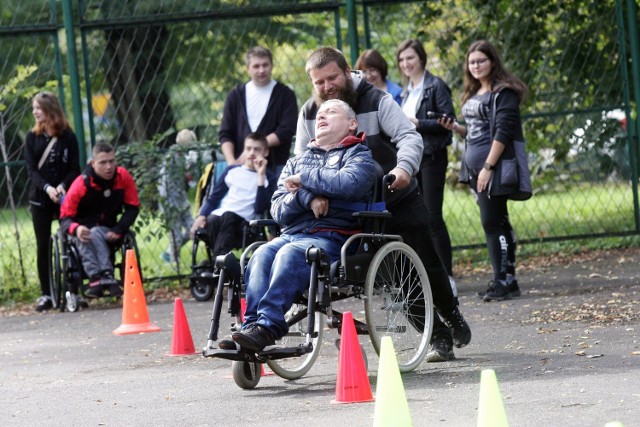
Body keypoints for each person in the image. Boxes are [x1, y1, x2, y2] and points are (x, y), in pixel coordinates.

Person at [295, 47, 471, 362]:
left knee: (428, 265)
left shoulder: (377, 100)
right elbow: (300, 162)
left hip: (397, 196)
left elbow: (409, 136)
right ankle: (437, 337)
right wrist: (311, 194)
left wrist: (403, 168)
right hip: (357, 211)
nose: (327, 87)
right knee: (395, 280)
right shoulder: (310, 113)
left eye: (332, 77)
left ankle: (451, 313)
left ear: (347, 71)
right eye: (318, 82)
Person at [220, 99, 376, 351]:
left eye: (331, 112)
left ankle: (268, 326)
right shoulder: (296, 161)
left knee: (290, 253)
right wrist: (309, 198)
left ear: (352, 123)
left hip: (333, 237)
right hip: (292, 233)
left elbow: (349, 183)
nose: (322, 117)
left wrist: (304, 179)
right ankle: (251, 328)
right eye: (320, 114)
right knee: (261, 253)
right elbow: (278, 207)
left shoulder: (359, 154)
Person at [440, 40, 528, 302]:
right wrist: (457, 129)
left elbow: (503, 132)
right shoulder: (475, 92)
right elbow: (477, 132)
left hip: (495, 168)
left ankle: (502, 281)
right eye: (472, 62)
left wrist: (489, 167)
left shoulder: (504, 92)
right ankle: (508, 280)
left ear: (492, 62)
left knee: (492, 223)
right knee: (499, 221)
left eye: (481, 60)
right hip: (475, 167)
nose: (476, 66)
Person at [397, 39, 456, 282]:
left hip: (432, 156)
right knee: (417, 218)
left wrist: (420, 124)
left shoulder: (435, 86)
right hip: (412, 160)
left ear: (421, 58)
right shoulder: (405, 91)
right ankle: (427, 276)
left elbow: (448, 121)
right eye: (401, 60)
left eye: (410, 58)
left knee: (432, 215)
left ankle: (446, 276)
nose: (405, 63)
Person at [24, 91, 81, 312]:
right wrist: (47, 188)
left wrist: (62, 187)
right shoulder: (32, 137)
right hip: (41, 198)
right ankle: (46, 293)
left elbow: (74, 168)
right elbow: (31, 170)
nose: (35, 112)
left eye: (38, 108)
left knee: (70, 240)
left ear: (49, 109)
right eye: (34, 108)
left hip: (64, 196)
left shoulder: (68, 137)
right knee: (43, 244)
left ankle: (73, 289)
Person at [60, 142, 140, 298]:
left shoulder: (122, 177)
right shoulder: (81, 184)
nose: (109, 167)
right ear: (93, 163)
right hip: (81, 231)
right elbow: (65, 217)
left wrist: (119, 229)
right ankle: (102, 276)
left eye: (112, 161)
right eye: (103, 162)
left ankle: (100, 278)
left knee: (96, 232)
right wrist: (76, 229)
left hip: (108, 228)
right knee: (90, 233)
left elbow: (133, 207)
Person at [189, 132, 277, 261]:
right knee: (212, 219)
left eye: (257, 149)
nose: (252, 153)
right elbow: (214, 198)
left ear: (266, 152)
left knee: (228, 216)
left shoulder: (268, 177)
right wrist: (200, 216)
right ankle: (221, 263)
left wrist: (261, 176)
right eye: (248, 148)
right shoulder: (232, 171)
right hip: (220, 218)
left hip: (245, 223)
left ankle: (219, 265)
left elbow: (259, 208)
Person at [218, 46, 298, 177]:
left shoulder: (285, 94)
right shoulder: (235, 95)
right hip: (241, 165)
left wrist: (253, 149)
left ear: (272, 66)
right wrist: (232, 162)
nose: (261, 70)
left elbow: (287, 129)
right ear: (248, 68)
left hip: (275, 165)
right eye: (256, 66)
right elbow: (225, 132)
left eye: (265, 65)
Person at [159, 129, 197, 263]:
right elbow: (165, 185)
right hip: (170, 202)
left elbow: (188, 180)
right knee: (176, 236)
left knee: (194, 229)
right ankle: (174, 262)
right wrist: (168, 205)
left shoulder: (184, 158)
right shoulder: (171, 158)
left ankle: (169, 253)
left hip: (182, 200)